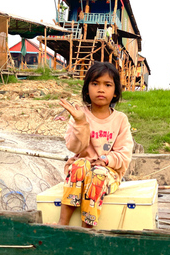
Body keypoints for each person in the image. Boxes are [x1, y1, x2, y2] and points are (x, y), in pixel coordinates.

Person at [57, 61, 133, 228]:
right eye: (95, 83)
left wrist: (105, 160)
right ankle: (63, 224)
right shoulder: (80, 115)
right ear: (87, 89)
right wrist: (81, 122)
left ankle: (87, 228)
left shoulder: (120, 120)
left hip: (108, 172)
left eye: (107, 84)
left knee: (97, 173)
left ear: (115, 92)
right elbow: (75, 148)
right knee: (78, 165)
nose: (100, 89)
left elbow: (124, 153)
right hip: (83, 170)